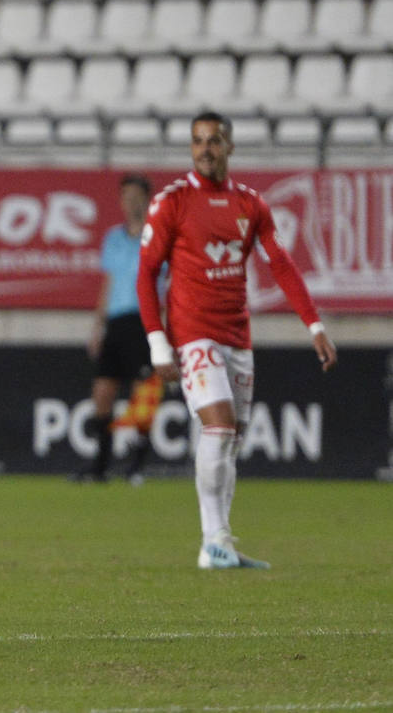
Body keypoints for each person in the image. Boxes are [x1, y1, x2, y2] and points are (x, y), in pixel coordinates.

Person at [136, 111, 336, 570]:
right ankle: (214, 540)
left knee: (231, 440)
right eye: (197, 141)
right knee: (220, 426)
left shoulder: (252, 204)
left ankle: (219, 545)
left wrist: (315, 325)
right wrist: (158, 344)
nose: (205, 148)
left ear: (230, 147)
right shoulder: (173, 202)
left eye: (214, 140)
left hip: (237, 336)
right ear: (191, 149)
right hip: (193, 333)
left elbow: (281, 264)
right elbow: (146, 274)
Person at [76, 174, 155, 484]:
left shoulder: (158, 236)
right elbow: (107, 286)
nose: (130, 202)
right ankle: (101, 465)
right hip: (116, 322)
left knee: (142, 395)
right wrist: (97, 328)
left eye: (136, 196)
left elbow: (170, 284)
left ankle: (136, 465)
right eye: (125, 196)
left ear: (147, 200)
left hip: (144, 320)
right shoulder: (113, 238)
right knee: (102, 393)